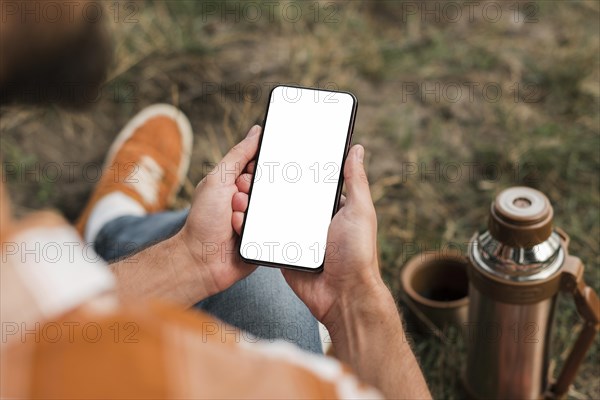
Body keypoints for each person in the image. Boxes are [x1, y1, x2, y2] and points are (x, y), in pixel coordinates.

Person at [1, 2, 431, 398]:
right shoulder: (253, 381)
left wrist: (193, 259)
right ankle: (113, 228)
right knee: (267, 283)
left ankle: (111, 225)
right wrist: (354, 298)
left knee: (248, 265)